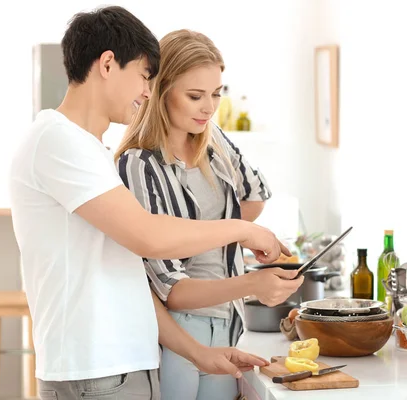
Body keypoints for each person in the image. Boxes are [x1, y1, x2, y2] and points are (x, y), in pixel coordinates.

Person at [9, 6, 290, 400]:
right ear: (108, 64)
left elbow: (132, 276)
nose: (147, 89)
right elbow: (149, 237)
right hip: (95, 371)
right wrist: (245, 230)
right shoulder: (58, 142)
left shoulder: (90, 151)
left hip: (122, 367)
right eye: (143, 75)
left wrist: (199, 354)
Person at [116, 29, 303, 400]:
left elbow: (255, 195)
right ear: (159, 90)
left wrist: (235, 239)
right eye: (195, 96)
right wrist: (251, 281)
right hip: (178, 332)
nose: (209, 107)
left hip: (227, 320)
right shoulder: (139, 166)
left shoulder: (212, 140)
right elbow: (174, 292)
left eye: (216, 94)